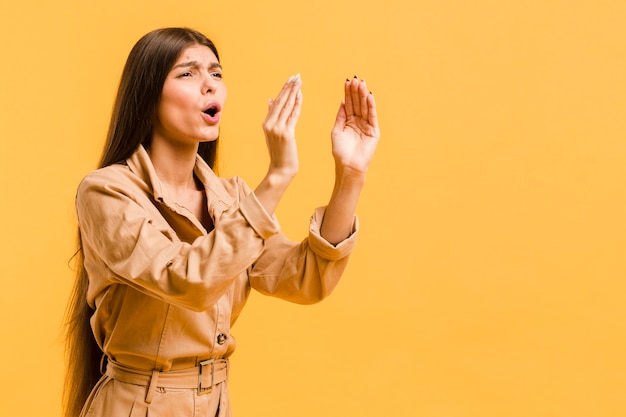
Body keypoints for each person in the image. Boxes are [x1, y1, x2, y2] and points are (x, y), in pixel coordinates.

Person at [63, 27, 379, 417]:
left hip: (215, 404)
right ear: (148, 94)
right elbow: (187, 280)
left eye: (216, 73)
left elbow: (305, 278)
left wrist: (350, 174)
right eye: (188, 73)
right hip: (137, 406)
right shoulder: (106, 192)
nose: (210, 86)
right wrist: (278, 176)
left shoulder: (232, 199)